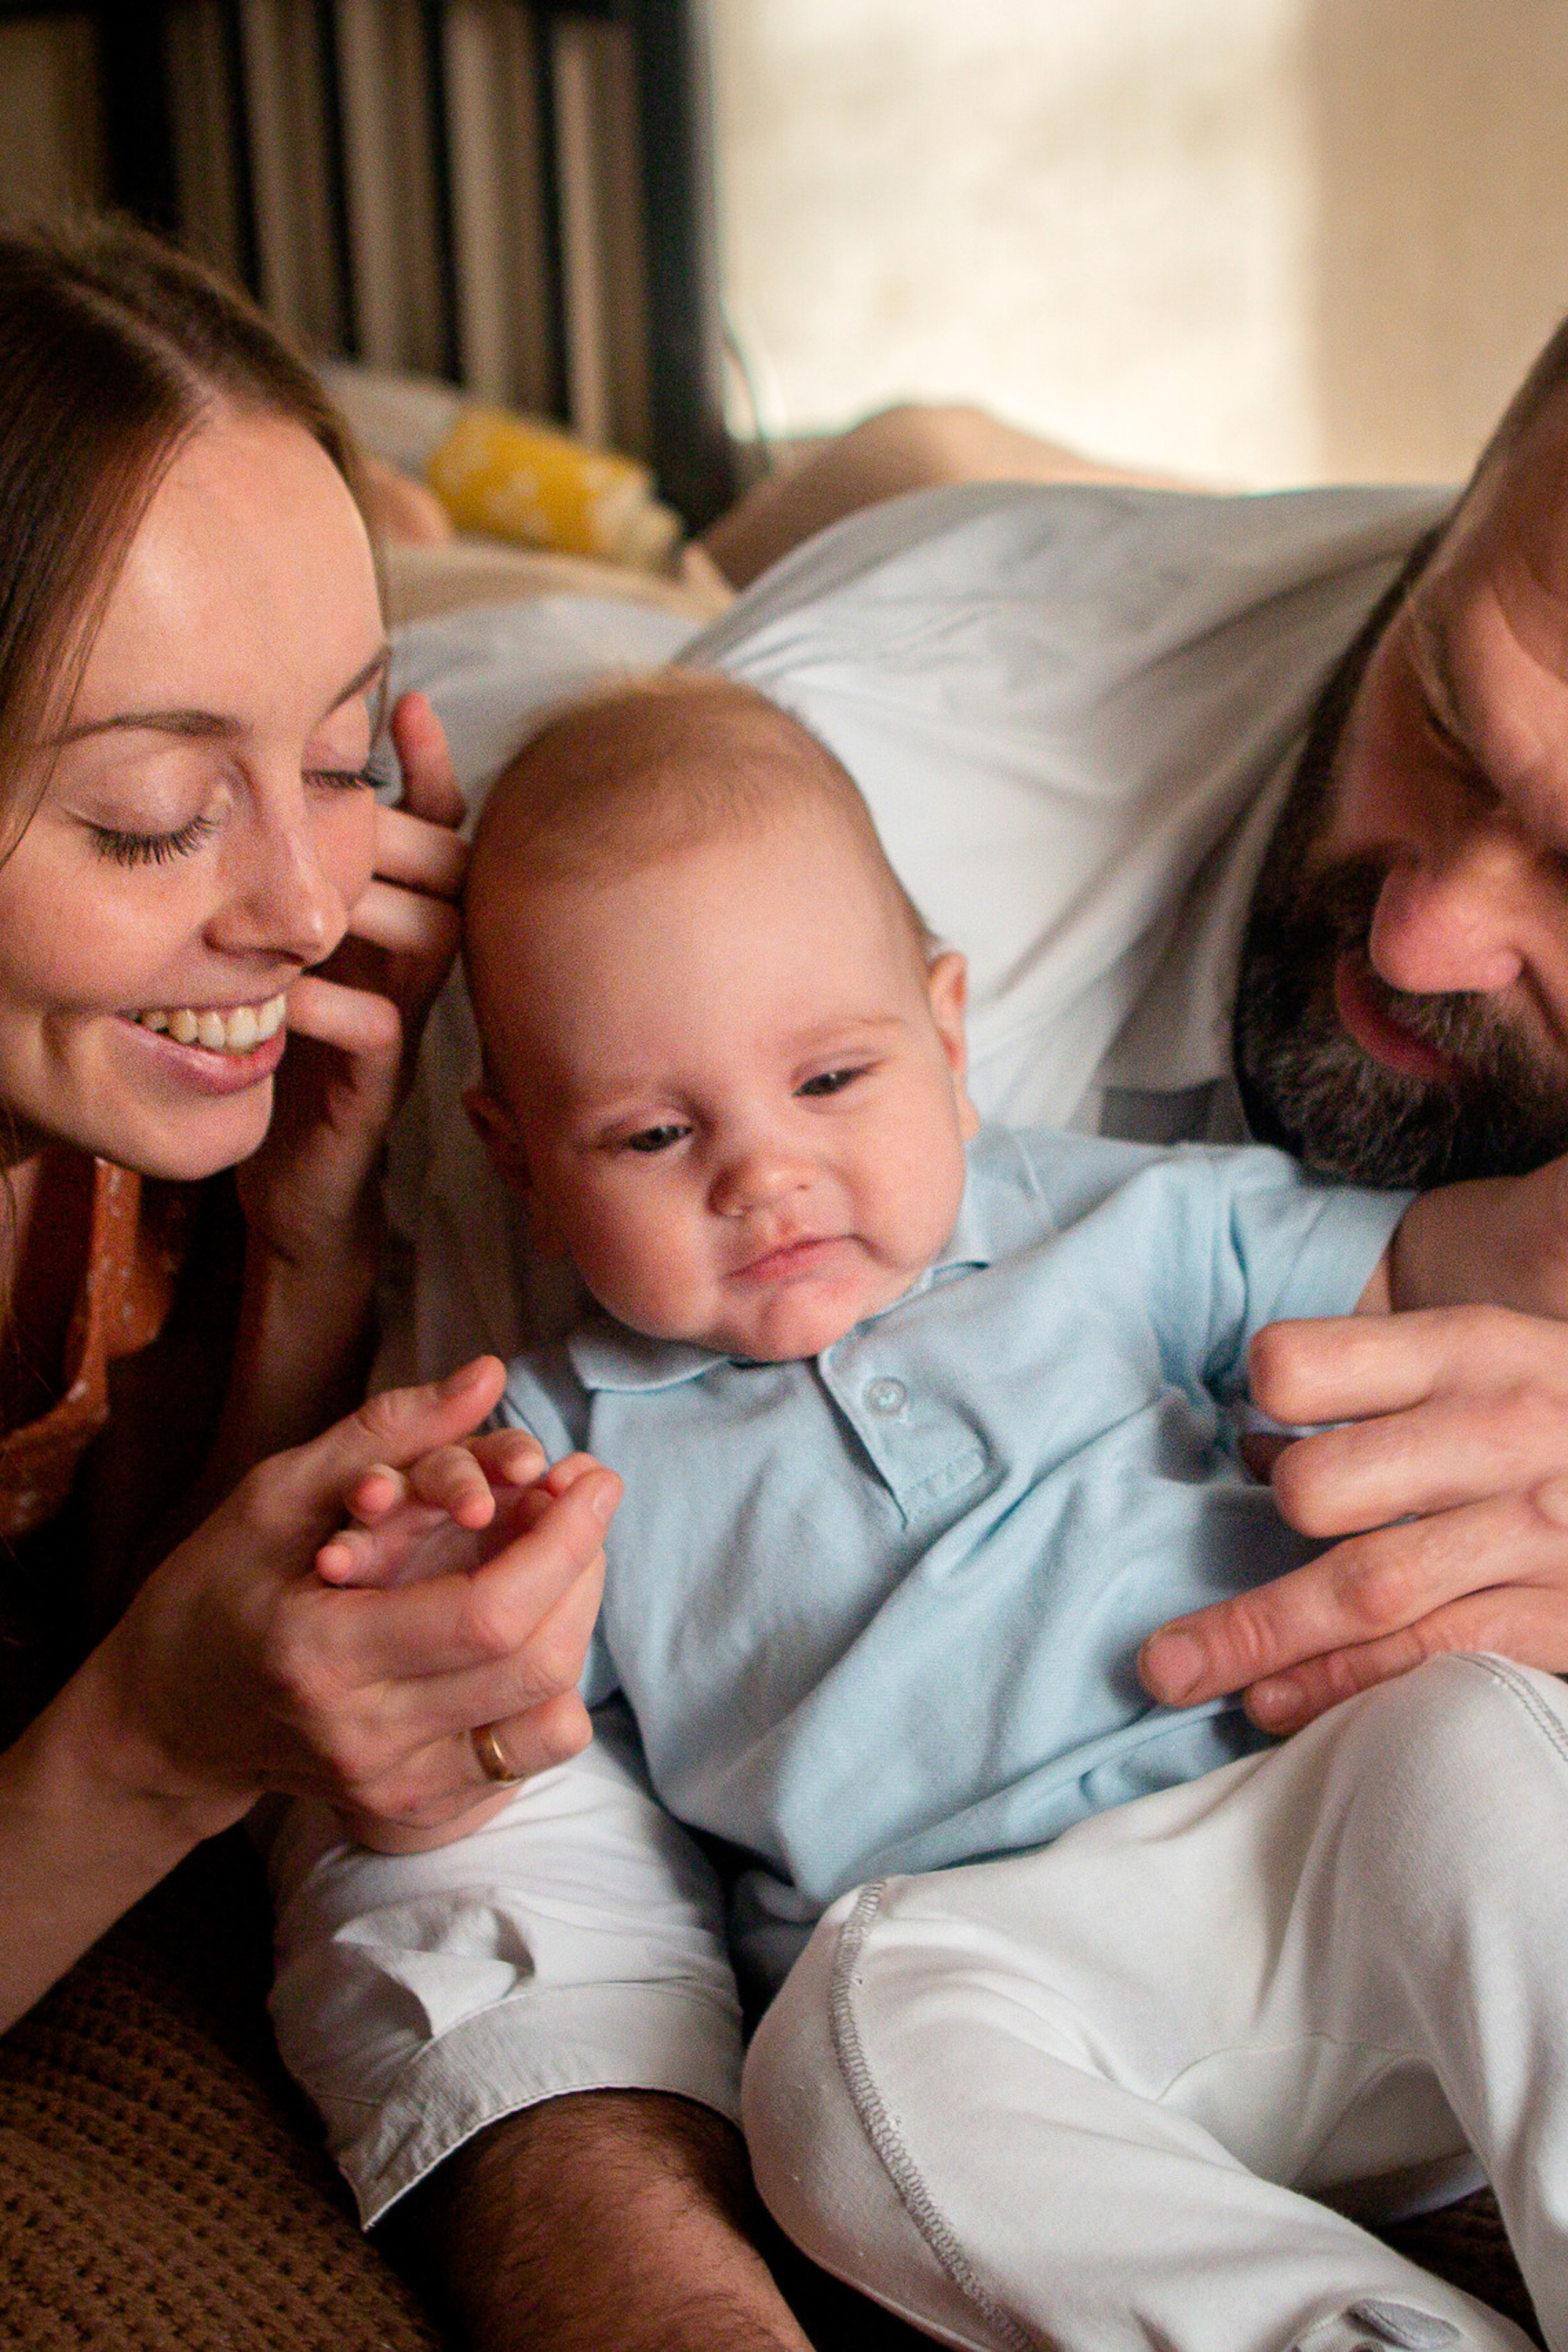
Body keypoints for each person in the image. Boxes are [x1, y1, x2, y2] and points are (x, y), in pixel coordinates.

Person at [260, 325, 1568, 2351]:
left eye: (833, 1086)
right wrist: (431, 1594)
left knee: (1480, 1750)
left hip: (1332, 1857)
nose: (765, 1181)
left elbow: (1455, 1263)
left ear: (942, 1040)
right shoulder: (775, 878)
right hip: (1009, 1968)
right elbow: (476, 1807)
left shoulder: (1105, 1228)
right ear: (526, 1158)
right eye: (656, 1134)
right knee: (852, 2073)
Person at [0, 217, 619, 2331]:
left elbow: (118, 1590)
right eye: (161, 814)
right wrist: (161, 1743)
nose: (299, 899)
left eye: (349, 756)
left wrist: (311, 1236)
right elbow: (116, 1711)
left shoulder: (132, 1134)